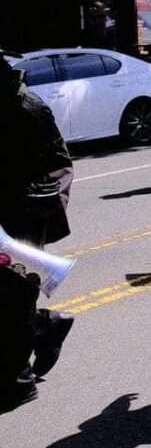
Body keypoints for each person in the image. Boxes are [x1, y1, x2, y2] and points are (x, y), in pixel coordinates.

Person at [0, 55, 75, 412]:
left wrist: (35, 203)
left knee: (13, 299)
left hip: (22, 217)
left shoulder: (28, 107)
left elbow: (59, 163)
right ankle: (46, 326)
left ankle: (19, 382)